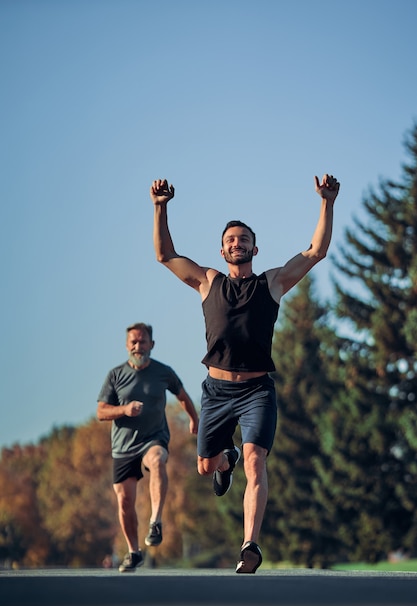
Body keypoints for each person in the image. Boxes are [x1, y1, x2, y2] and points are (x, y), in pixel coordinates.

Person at [151, 174, 340, 574]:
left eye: (243, 239)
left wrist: (327, 202)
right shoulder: (207, 281)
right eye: (231, 240)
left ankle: (250, 545)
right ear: (222, 250)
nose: (237, 243)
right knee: (206, 465)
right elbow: (165, 255)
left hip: (257, 391)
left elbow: (315, 251)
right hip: (216, 392)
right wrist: (160, 207)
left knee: (257, 463)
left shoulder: (272, 283)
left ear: (255, 248)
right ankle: (224, 461)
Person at [97, 322, 199, 573]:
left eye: (143, 341)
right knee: (125, 502)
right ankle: (133, 552)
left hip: (154, 437)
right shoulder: (115, 375)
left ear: (152, 345)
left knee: (157, 460)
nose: (138, 346)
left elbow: (183, 396)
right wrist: (124, 409)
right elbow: (101, 411)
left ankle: (155, 521)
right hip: (123, 446)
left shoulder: (163, 372)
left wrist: (195, 420)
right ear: (126, 345)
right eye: (133, 341)